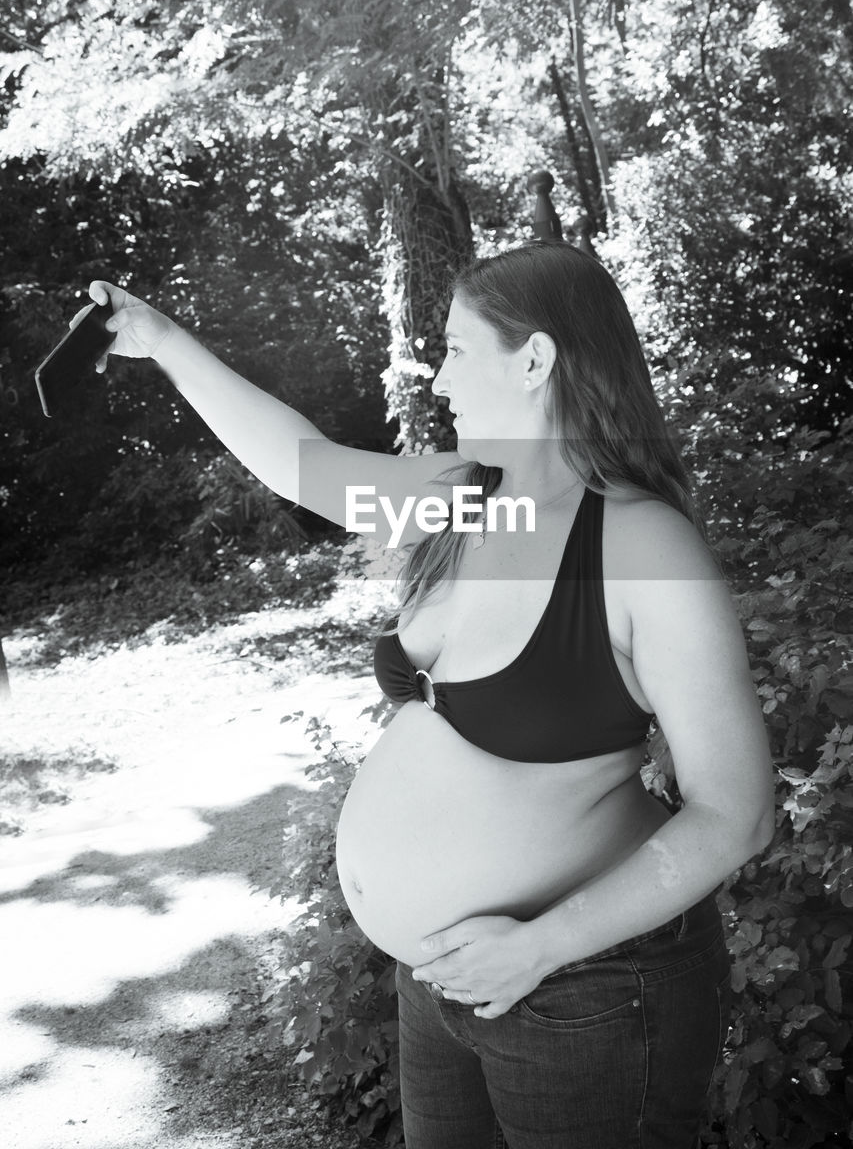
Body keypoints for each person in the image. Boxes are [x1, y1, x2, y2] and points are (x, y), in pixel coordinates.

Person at [83, 238, 774, 1149]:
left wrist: (540, 945)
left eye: (454, 350)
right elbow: (301, 462)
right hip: (441, 986)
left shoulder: (642, 549)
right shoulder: (474, 500)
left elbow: (735, 813)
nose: (439, 383)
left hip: (585, 986)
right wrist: (164, 340)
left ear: (534, 360)